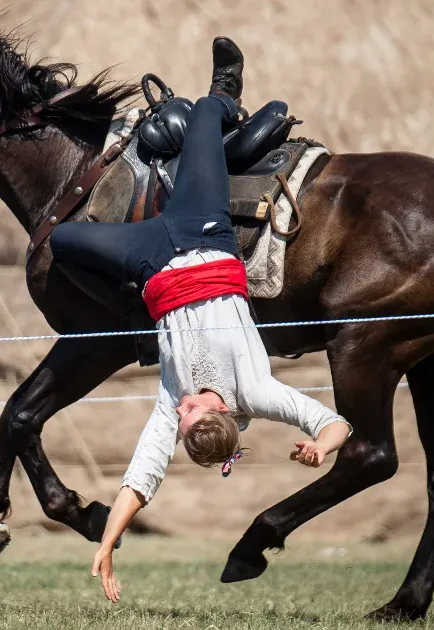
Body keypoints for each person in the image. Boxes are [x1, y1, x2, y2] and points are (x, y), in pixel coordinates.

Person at [48, 37, 353, 603]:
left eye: (181, 417)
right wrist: (322, 448)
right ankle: (227, 93)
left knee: (61, 241)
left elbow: (143, 478)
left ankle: (130, 303)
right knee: (206, 112)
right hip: (203, 232)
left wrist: (107, 544)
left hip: (151, 259)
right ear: (221, 412)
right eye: (191, 411)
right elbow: (332, 422)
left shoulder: (176, 406)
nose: (180, 406)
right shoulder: (255, 390)